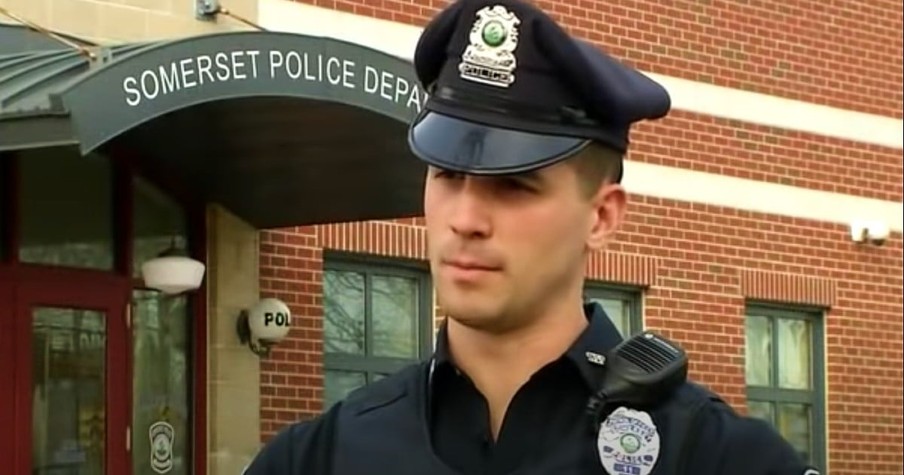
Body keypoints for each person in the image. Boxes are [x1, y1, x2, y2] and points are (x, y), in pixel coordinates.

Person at [243, 0, 822, 474]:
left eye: (513, 186)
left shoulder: (714, 458)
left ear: (601, 217)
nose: (465, 218)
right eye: (447, 175)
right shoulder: (316, 458)